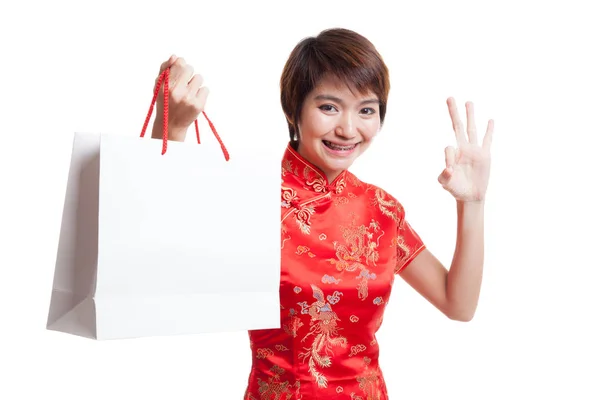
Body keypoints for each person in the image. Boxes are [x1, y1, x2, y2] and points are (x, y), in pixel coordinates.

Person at [151, 28, 493, 400]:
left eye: (366, 110)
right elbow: (158, 247)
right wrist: (172, 127)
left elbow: (457, 304)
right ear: (292, 109)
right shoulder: (253, 195)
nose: (348, 129)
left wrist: (472, 203)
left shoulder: (381, 209)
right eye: (329, 107)